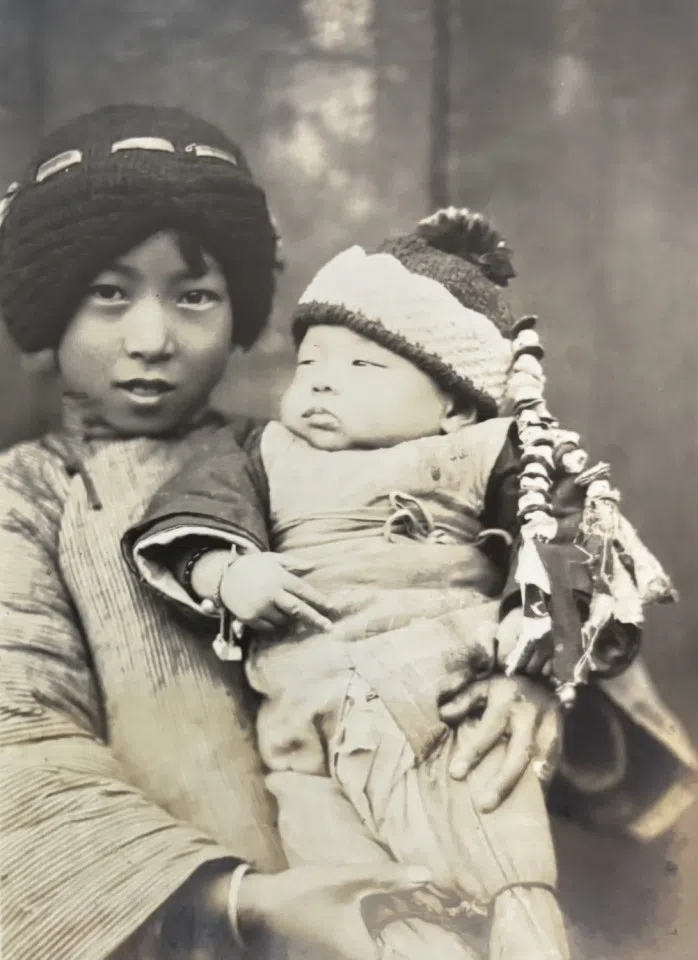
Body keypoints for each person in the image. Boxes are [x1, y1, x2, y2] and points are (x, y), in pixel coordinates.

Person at [0, 104, 563, 960]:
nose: (150, 339)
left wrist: (524, 681)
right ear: (48, 313)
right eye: (108, 295)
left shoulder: (305, 457)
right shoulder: (27, 501)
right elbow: (20, 750)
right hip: (177, 925)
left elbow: (462, 570)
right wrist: (248, 902)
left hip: (408, 890)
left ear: (238, 313)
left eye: (194, 297)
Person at [124, 211, 698, 959]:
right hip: (306, 725)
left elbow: (559, 542)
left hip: (446, 705)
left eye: (364, 367)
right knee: (352, 887)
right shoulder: (261, 452)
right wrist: (226, 570)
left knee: (501, 855)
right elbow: (187, 515)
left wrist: (532, 664)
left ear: (452, 404)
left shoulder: (483, 451)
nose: (325, 380)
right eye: (313, 363)